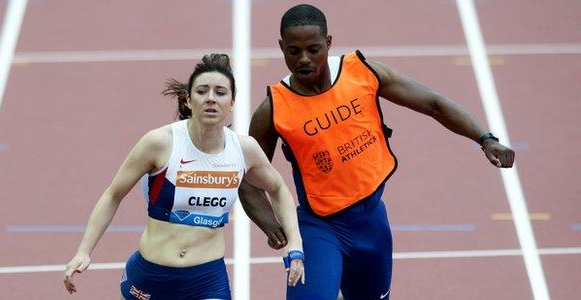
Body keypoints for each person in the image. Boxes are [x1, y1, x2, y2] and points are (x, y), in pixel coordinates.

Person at [237, 4, 515, 300]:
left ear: (329, 43)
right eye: (293, 51)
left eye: (313, 49)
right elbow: (248, 178)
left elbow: (433, 103)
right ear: (281, 47)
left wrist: (485, 138)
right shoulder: (273, 109)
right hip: (319, 227)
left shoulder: (363, 74)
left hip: (371, 223)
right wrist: (272, 226)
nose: (303, 59)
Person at [62, 54, 305, 299]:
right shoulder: (160, 143)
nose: (211, 98)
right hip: (152, 276)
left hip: (207, 279)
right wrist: (84, 250)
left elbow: (277, 188)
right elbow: (113, 194)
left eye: (220, 92)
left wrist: (294, 244)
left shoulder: (243, 150)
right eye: (202, 91)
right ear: (189, 99)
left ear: (232, 102)